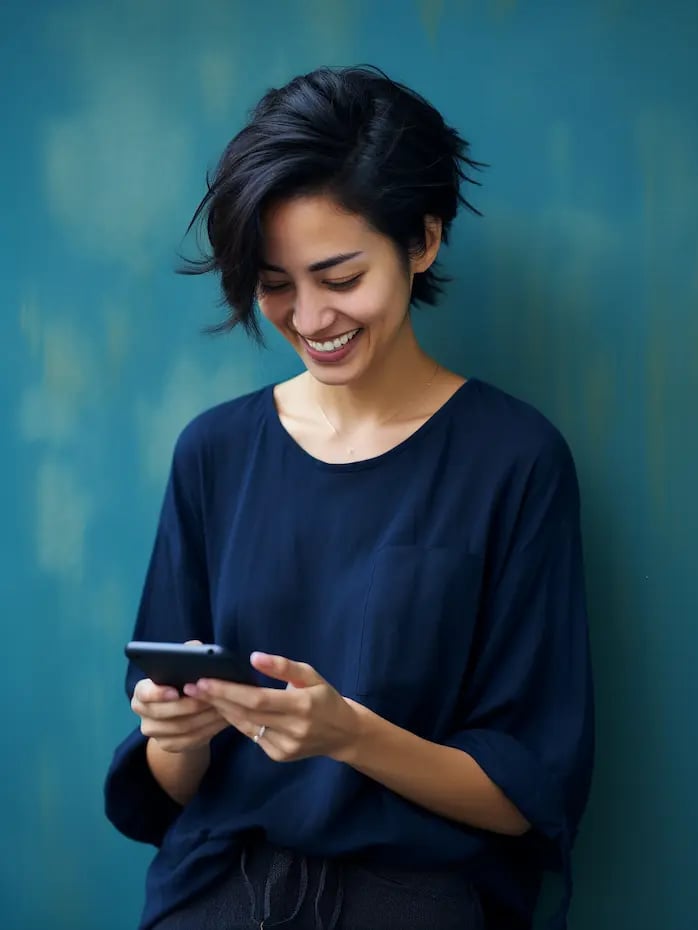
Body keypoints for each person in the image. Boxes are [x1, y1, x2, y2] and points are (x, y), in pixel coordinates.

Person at [105, 65, 594, 930]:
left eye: (339, 276)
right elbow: (170, 790)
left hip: (412, 898)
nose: (308, 318)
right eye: (275, 284)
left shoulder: (515, 460)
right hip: (214, 891)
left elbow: (528, 793)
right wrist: (174, 738)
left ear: (423, 241)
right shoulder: (213, 452)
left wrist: (346, 734)